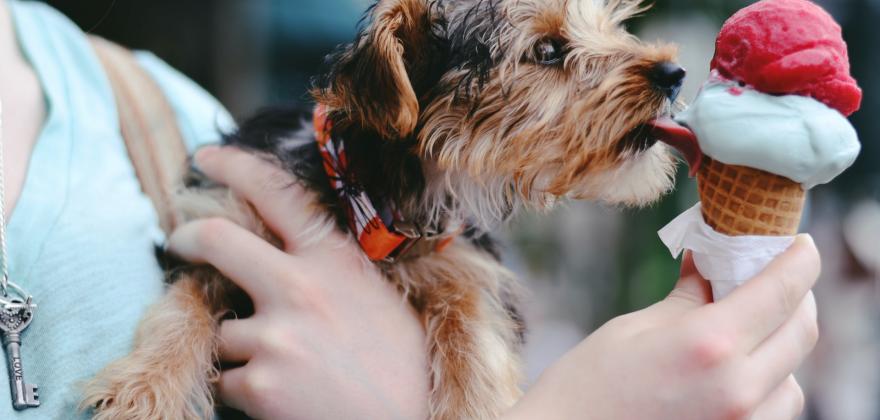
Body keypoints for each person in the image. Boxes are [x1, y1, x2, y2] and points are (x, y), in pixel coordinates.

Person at [3, 0, 819, 419]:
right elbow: (200, 272)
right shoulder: (235, 165)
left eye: (603, 29)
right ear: (406, 90)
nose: (653, 67)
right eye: (549, 54)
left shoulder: (156, 112)